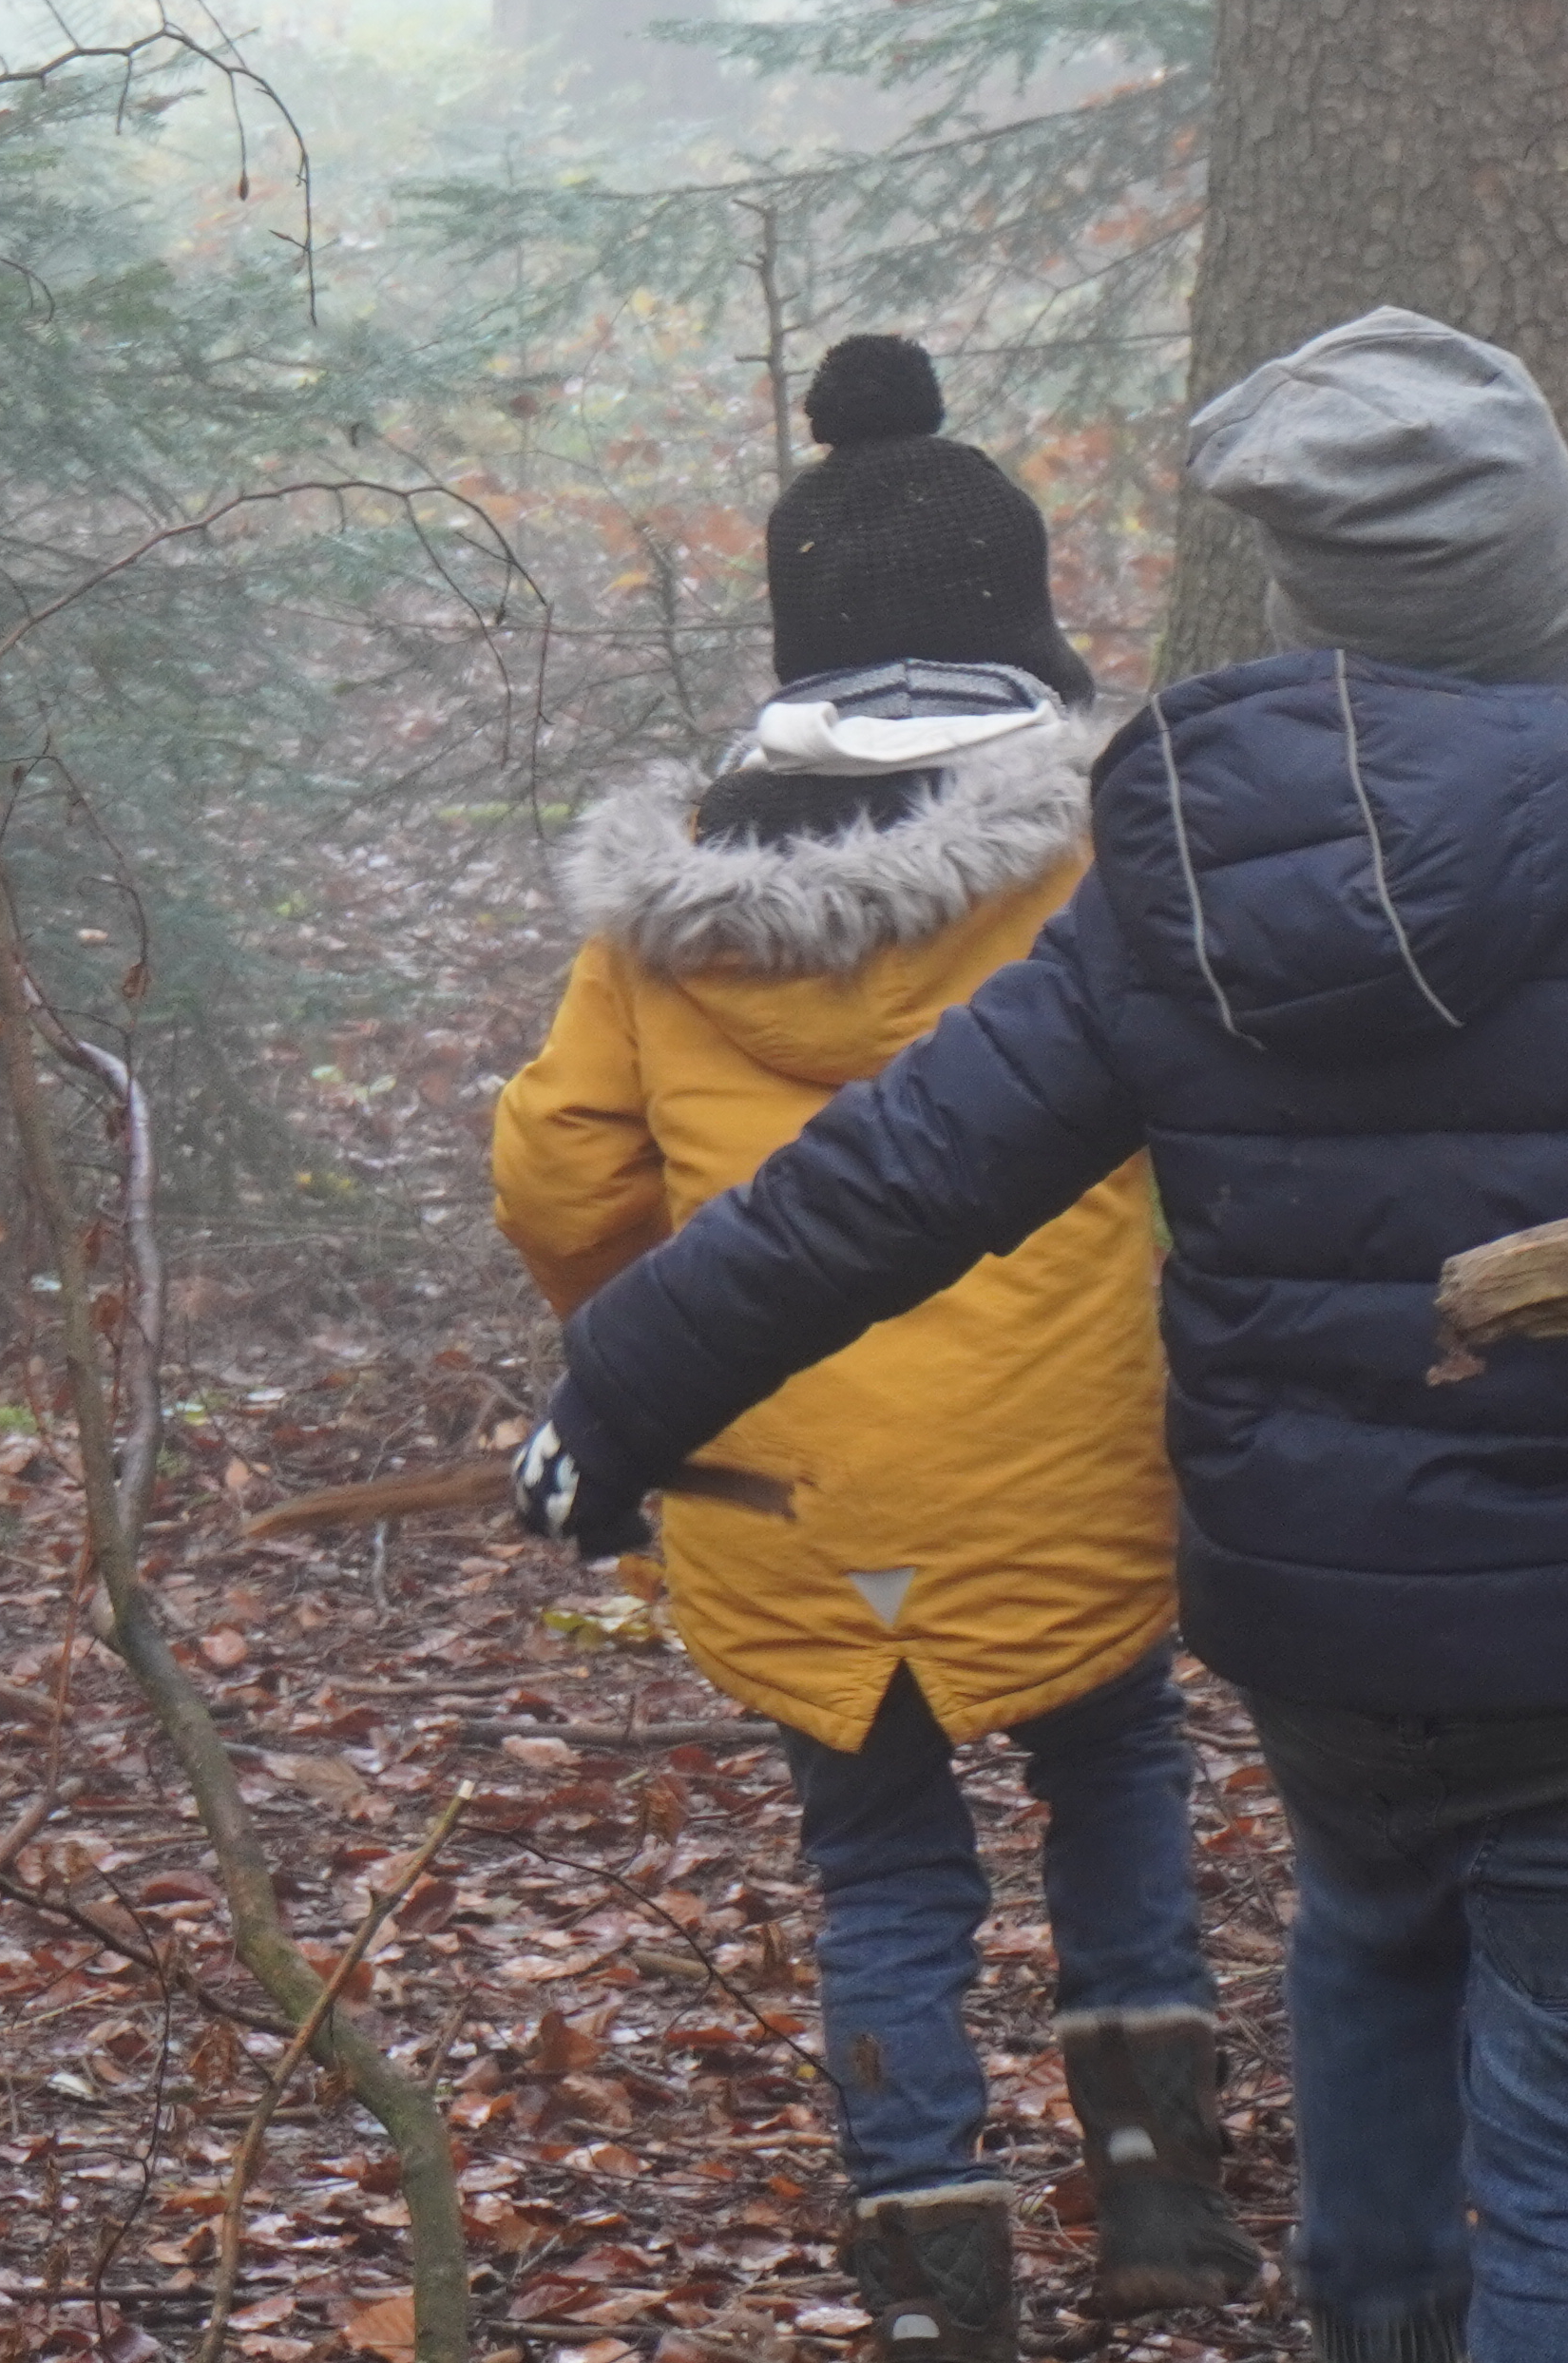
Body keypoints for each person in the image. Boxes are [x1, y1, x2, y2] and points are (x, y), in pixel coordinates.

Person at [512, 305, 1568, 2363]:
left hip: (1317, 1615)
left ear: (1312, 593)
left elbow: (887, 1184)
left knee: (1372, 1951)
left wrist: (617, 1388)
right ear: (1544, 592)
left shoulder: (1165, 903)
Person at [489, 337, 1258, 2361]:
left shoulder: (660, 913)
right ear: (1018, 618)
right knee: (1113, 1763)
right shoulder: (1108, 855)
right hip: (1067, 1445)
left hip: (776, 1471)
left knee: (879, 1848)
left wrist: (644, 1346)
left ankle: (934, 2254)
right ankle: (1161, 2189)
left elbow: (567, 1178)